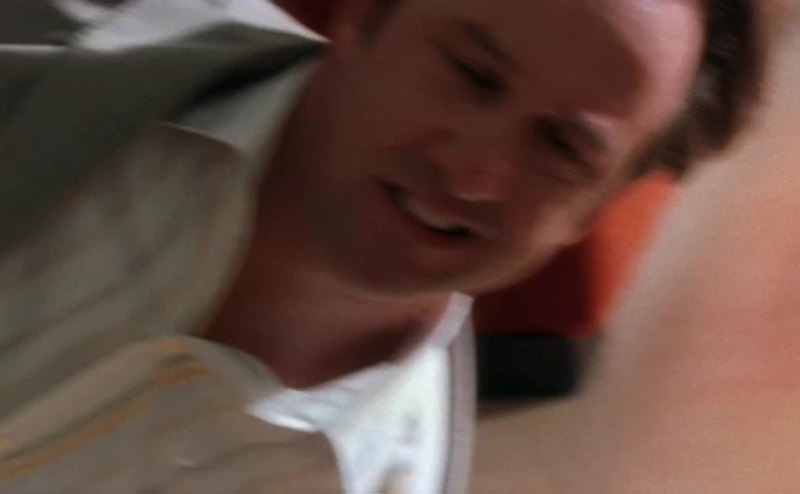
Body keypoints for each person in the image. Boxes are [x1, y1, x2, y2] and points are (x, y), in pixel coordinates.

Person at [0, 0, 765, 492]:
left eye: (561, 147)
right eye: (472, 75)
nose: (473, 173)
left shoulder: (387, 474)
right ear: (364, 16)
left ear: (593, 209)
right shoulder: (47, 75)